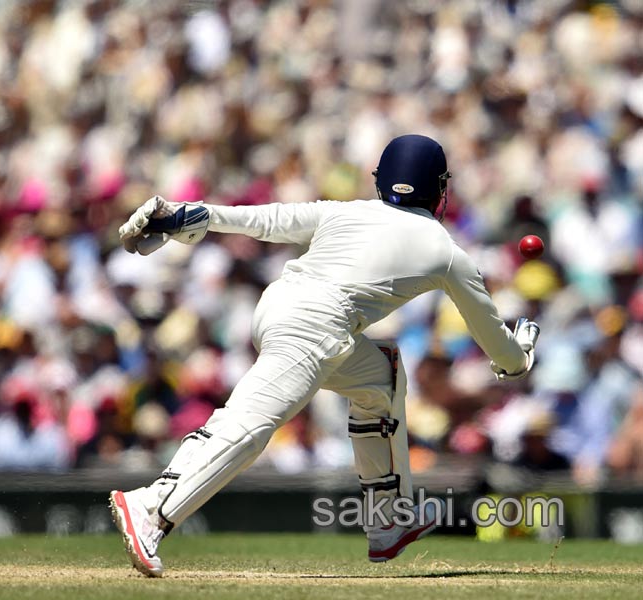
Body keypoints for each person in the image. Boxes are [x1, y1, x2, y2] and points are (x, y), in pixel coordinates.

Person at [110, 134, 540, 577]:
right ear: (438, 188)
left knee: (381, 378)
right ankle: (151, 507)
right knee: (248, 427)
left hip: (278, 307)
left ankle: (389, 517)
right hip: (315, 328)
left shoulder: (345, 211)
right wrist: (518, 358)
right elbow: (495, 340)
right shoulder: (446, 251)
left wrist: (189, 214)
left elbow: (270, 220)